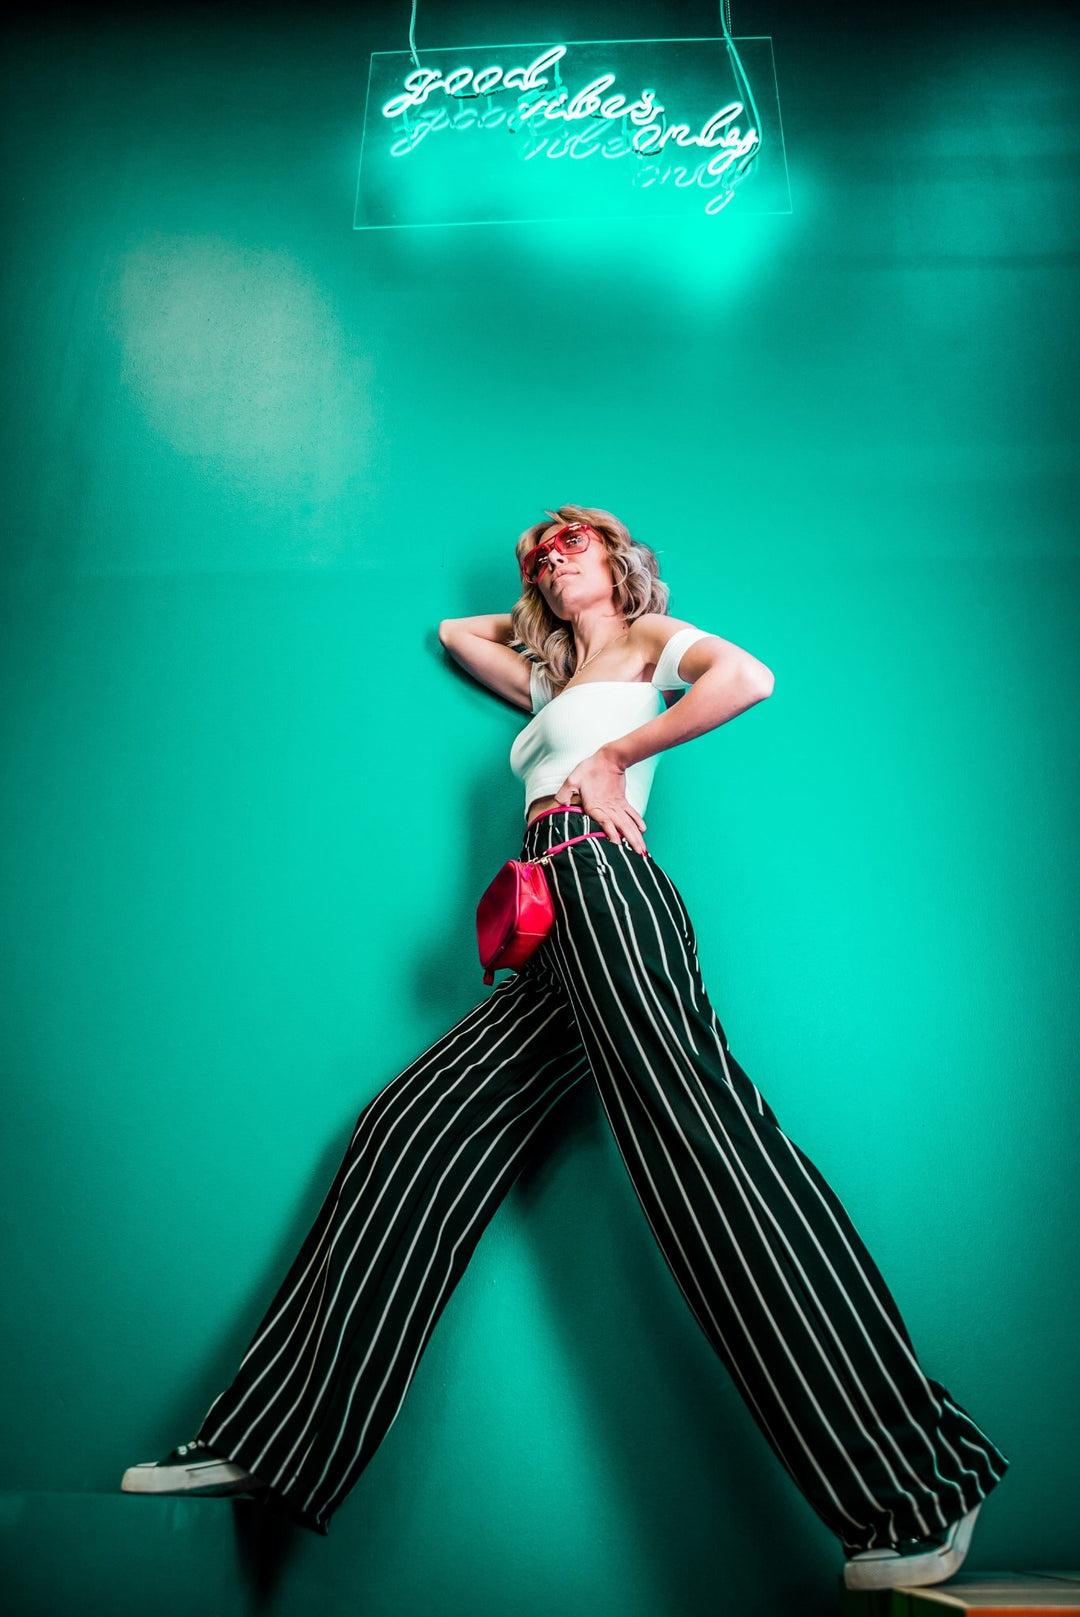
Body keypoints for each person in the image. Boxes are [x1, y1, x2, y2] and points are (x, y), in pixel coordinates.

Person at [121, 505, 1009, 1591]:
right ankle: (271, 1439)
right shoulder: (549, 681)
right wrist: (544, 606)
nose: (553, 551)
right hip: (547, 927)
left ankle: (917, 1484)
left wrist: (618, 748)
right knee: (411, 1128)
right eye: (541, 548)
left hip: (607, 882)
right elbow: (459, 633)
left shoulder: (645, 648)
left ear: (625, 559)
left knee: (704, 1156)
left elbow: (750, 679)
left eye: (574, 538)